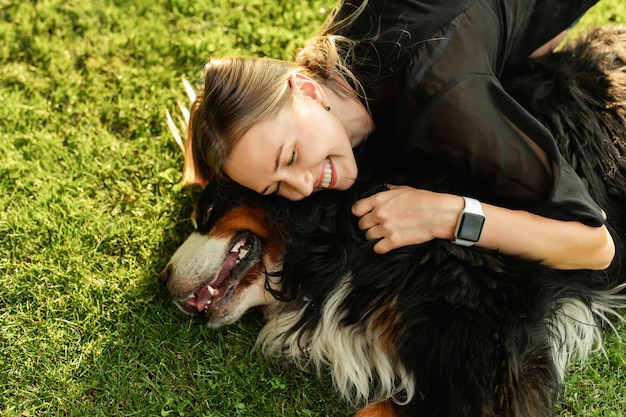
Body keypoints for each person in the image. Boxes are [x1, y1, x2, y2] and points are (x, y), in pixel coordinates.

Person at [181, 0, 616, 271]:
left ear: (307, 88)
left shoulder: (442, 101)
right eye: (276, 187)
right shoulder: (333, 59)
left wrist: (445, 214)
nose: (303, 186)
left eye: (291, 156)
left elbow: (593, 244)